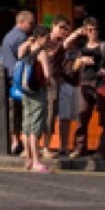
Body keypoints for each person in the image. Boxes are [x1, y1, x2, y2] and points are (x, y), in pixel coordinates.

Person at [65, 16, 105, 159]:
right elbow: (74, 68)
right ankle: (80, 148)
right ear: (85, 31)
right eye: (90, 30)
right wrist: (81, 60)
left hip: (100, 84)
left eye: (95, 29)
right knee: (82, 117)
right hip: (85, 84)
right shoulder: (81, 48)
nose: (93, 32)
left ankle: (102, 150)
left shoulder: (104, 46)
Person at [43, 15, 78, 158]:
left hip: (65, 82)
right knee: (50, 115)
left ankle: (64, 146)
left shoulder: (68, 44)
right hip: (50, 82)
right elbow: (51, 56)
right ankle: (46, 146)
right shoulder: (47, 41)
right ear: (54, 26)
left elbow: (70, 62)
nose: (64, 31)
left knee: (65, 116)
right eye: (62, 28)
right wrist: (66, 42)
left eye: (67, 29)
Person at [19, 25, 52, 172]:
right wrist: (50, 83)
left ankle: (28, 160)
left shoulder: (27, 49)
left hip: (26, 91)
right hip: (38, 91)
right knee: (35, 127)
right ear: (41, 37)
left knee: (26, 125)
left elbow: (19, 55)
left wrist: (28, 42)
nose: (48, 40)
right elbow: (47, 75)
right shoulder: (42, 53)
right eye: (47, 37)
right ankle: (37, 161)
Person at [1, 10, 34, 155]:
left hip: (8, 79)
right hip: (19, 80)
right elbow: (25, 60)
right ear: (21, 22)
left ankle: (14, 140)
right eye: (30, 23)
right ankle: (19, 143)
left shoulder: (7, 36)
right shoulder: (21, 37)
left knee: (13, 112)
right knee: (22, 113)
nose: (32, 26)